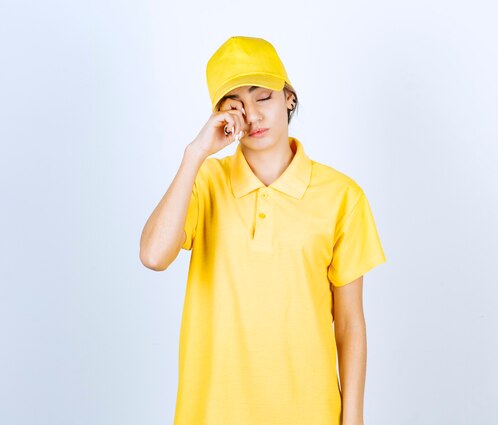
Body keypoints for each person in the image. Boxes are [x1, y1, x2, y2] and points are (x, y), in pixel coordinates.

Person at [139, 35, 387, 425]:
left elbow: (350, 324)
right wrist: (195, 154)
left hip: (310, 412)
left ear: (288, 96)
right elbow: (153, 256)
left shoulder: (342, 197)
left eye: (263, 97)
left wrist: (352, 418)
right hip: (212, 412)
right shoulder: (204, 183)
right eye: (235, 105)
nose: (252, 115)